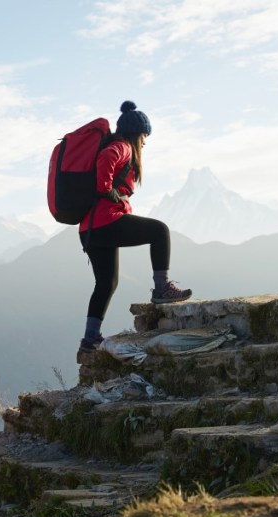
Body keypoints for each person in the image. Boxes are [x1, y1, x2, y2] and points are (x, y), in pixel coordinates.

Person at [78, 101, 193, 354]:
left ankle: (90, 339)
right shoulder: (122, 147)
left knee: (106, 283)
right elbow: (106, 160)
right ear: (136, 133)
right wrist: (106, 188)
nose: (144, 143)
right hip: (105, 221)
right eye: (144, 136)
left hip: (90, 228)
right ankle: (162, 288)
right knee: (159, 231)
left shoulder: (118, 145)